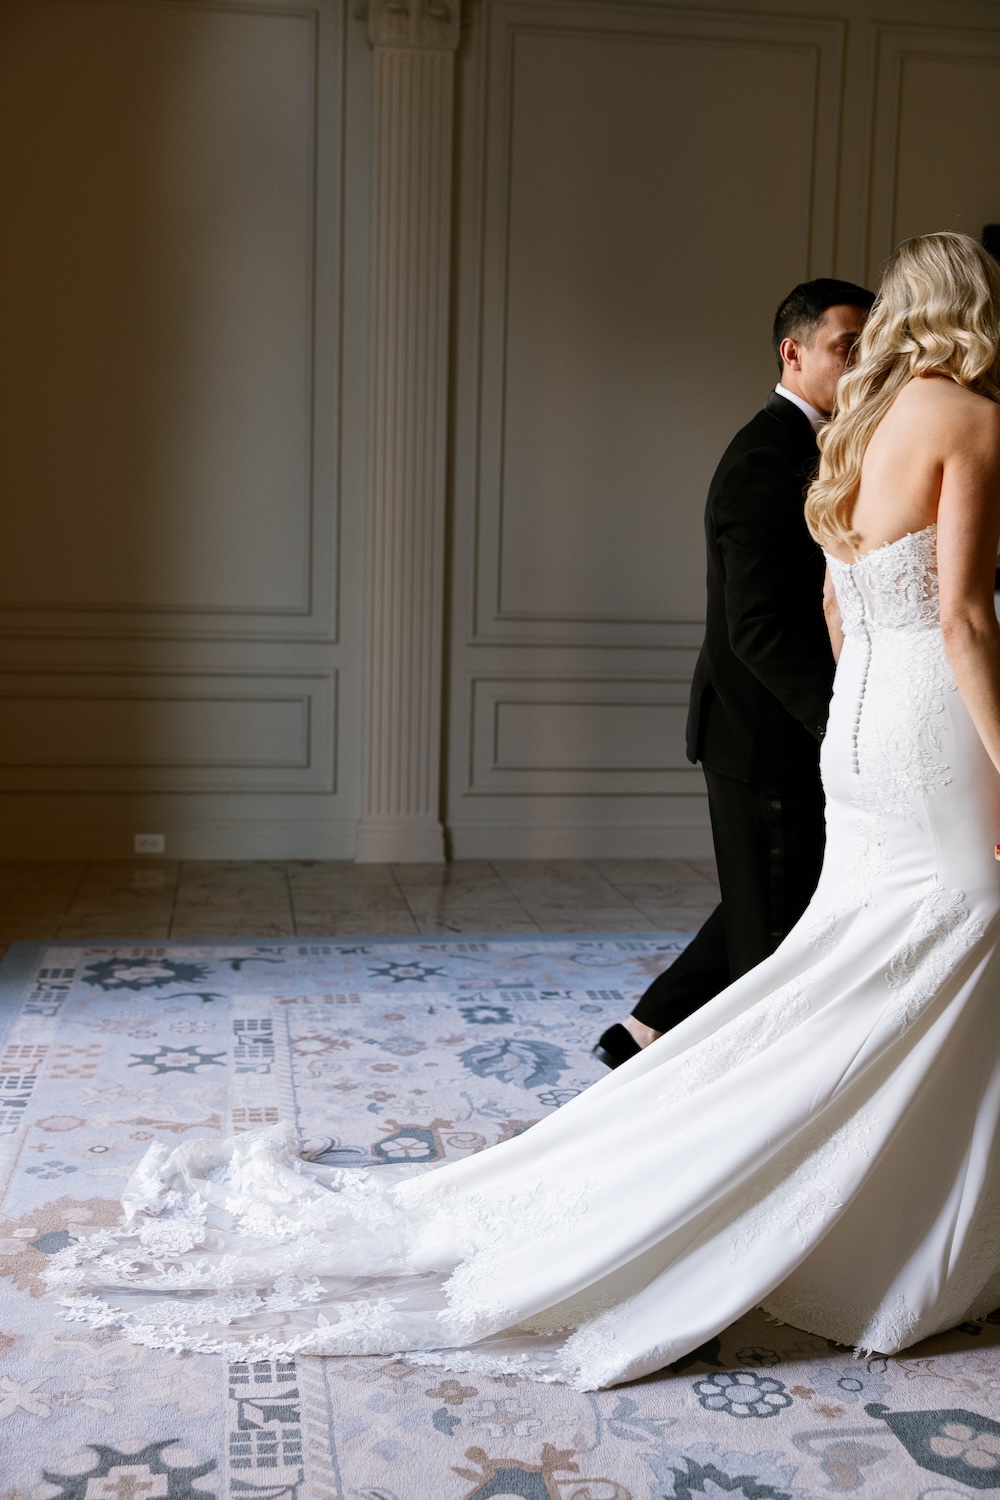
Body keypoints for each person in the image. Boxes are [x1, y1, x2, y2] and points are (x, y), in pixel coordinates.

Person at [45, 233, 1000, 1391]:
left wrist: (860, 711)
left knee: (851, 961)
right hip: (927, 730)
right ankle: (881, 1220)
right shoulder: (972, 422)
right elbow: (960, 620)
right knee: (927, 947)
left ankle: (837, 1182)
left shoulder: (855, 432)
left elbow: (838, 610)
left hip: (863, 733)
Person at [594, 278, 875, 1069]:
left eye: (870, 349)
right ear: (795, 352)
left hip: (788, 730)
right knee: (775, 937)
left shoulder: (832, 448)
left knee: (773, 899)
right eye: (845, 348)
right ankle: (736, 1096)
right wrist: (840, 724)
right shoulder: (764, 459)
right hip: (763, 737)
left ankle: (640, 1032)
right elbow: (757, 629)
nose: (862, 367)